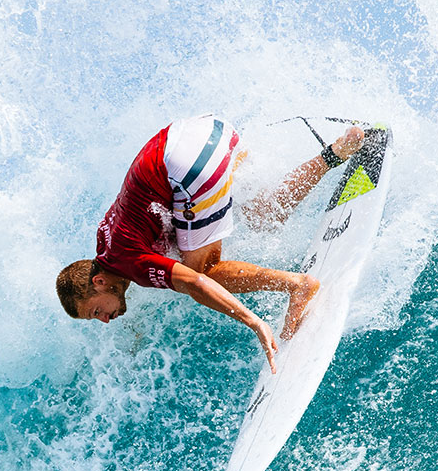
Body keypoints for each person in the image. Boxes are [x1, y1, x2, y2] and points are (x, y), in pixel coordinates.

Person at [56, 114, 365, 373]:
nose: (105, 320)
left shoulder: (127, 263)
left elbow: (197, 283)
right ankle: (337, 151)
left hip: (185, 167)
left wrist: (255, 322)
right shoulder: (105, 240)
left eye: (95, 312)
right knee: (261, 214)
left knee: (205, 269)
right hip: (201, 133)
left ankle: (297, 285)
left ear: (98, 282)